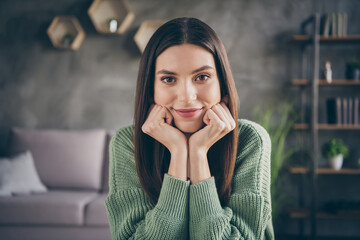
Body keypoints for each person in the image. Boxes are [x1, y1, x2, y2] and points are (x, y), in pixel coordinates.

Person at [105, 17, 274, 240]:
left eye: (202, 77)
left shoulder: (250, 140)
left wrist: (198, 153)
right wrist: (178, 151)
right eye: (168, 79)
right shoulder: (128, 143)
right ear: (151, 90)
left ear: (222, 85)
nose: (186, 96)